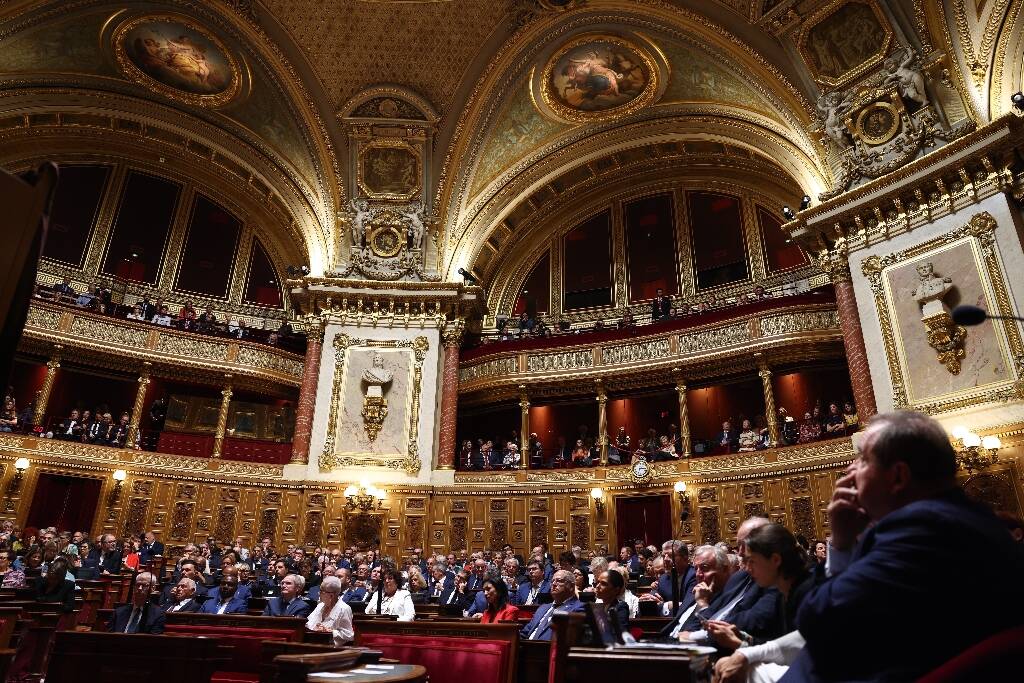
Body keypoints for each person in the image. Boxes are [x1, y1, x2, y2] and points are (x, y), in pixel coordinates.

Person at [788, 411, 1024, 681]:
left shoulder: (921, 530)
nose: (850, 471)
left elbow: (816, 620)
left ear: (898, 476)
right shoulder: (964, 516)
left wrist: (841, 544)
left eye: (863, 459)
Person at [520, 569, 585, 641]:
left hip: (549, 649)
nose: (554, 584)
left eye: (559, 581)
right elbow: (524, 633)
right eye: (552, 581)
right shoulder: (543, 608)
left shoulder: (578, 608)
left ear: (571, 586)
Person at [306, 575, 354, 645]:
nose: (318, 593)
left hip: (332, 649)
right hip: (314, 642)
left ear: (331, 595)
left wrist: (331, 632)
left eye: (321, 591)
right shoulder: (320, 606)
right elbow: (308, 624)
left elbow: (349, 635)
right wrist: (316, 628)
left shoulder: (344, 609)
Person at [594, 570, 629, 635]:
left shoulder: (620, 607)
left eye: (603, 583)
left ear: (616, 590)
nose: (597, 586)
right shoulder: (598, 608)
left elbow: (620, 632)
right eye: (597, 582)